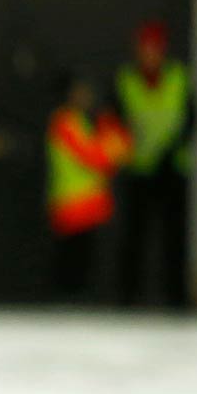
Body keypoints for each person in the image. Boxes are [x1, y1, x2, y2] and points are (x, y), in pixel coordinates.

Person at [114, 21, 197, 307]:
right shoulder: (126, 80)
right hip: (139, 168)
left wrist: (172, 149)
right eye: (145, 49)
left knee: (174, 235)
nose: (150, 54)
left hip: (173, 168)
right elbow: (115, 120)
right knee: (134, 234)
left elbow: (192, 119)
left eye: (155, 49)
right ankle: (128, 294)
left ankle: (175, 296)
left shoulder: (179, 77)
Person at [45, 73, 129, 301]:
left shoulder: (86, 122)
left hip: (90, 206)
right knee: (69, 264)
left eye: (87, 92)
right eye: (79, 91)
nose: (85, 97)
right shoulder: (64, 121)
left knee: (86, 264)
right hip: (70, 204)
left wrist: (114, 143)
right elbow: (96, 157)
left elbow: (114, 157)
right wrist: (115, 143)